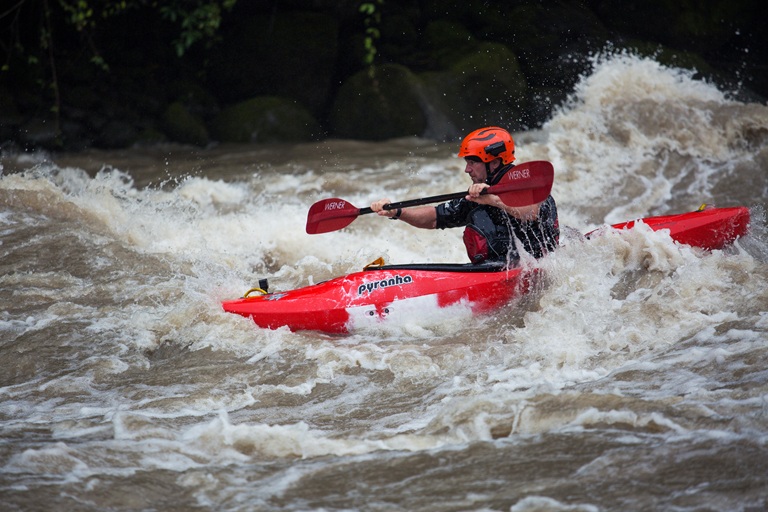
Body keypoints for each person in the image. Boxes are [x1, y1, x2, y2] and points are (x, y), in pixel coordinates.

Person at [371, 126, 559, 265]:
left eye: (472, 163)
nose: (466, 169)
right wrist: (398, 212)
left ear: (493, 163)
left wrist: (493, 200)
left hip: (538, 265)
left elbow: (530, 212)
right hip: (495, 270)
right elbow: (435, 218)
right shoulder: (477, 197)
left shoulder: (526, 184)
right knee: (477, 214)